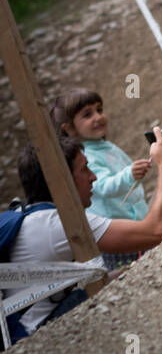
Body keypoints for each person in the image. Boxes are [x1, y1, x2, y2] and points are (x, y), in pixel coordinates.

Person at [4, 130, 162, 343]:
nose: (93, 176)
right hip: (29, 336)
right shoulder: (58, 224)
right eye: (84, 169)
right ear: (62, 181)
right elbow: (156, 230)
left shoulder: (33, 216)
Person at [50, 87, 149, 271]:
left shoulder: (105, 146)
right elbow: (103, 186)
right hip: (120, 237)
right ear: (70, 128)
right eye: (88, 115)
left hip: (136, 222)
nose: (98, 117)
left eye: (99, 110)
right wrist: (129, 174)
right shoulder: (86, 156)